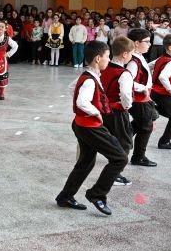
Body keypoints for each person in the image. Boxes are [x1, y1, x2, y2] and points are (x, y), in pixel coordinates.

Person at [55, 40, 128, 216]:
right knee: (120, 158)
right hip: (89, 126)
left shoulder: (89, 75)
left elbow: (73, 88)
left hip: (82, 124)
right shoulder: (90, 80)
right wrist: (96, 112)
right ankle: (97, 194)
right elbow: (82, 101)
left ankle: (65, 196)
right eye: (107, 57)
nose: (109, 60)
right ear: (97, 58)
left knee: (86, 162)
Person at [101, 36, 136, 187]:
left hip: (103, 110)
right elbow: (126, 94)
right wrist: (127, 106)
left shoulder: (103, 68)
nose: (132, 57)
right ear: (125, 54)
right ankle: (115, 174)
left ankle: (113, 172)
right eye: (131, 54)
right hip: (117, 111)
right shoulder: (124, 73)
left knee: (112, 140)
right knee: (125, 143)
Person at [125, 28, 158, 168]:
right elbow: (127, 81)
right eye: (147, 41)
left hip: (143, 98)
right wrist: (143, 88)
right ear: (136, 43)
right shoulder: (133, 62)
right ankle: (138, 156)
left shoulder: (138, 57)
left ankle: (124, 139)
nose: (149, 44)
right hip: (138, 99)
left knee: (143, 123)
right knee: (146, 127)